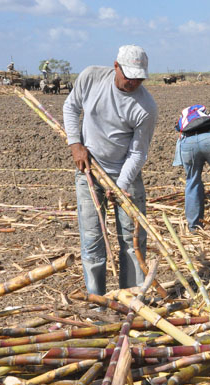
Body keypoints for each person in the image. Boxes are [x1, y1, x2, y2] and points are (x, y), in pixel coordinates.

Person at [63, 45, 158, 296]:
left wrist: (123, 184)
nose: (133, 82)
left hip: (125, 174)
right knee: (93, 239)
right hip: (89, 171)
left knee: (132, 240)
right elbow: (71, 107)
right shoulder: (92, 77)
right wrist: (75, 144)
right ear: (116, 66)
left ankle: (131, 298)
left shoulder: (146, 107)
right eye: (129, 76)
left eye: (139, 78)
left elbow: (138, 153)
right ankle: (97, 300)